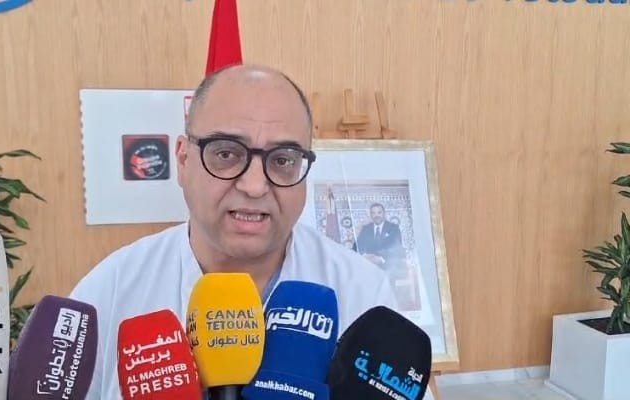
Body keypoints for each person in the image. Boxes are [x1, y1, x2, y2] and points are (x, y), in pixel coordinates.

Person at [69, 64, 407, 399]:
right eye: (227, 154)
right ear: (184, 161)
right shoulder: (109, 292)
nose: (255, 186)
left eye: (283, 160)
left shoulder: (362, 293)